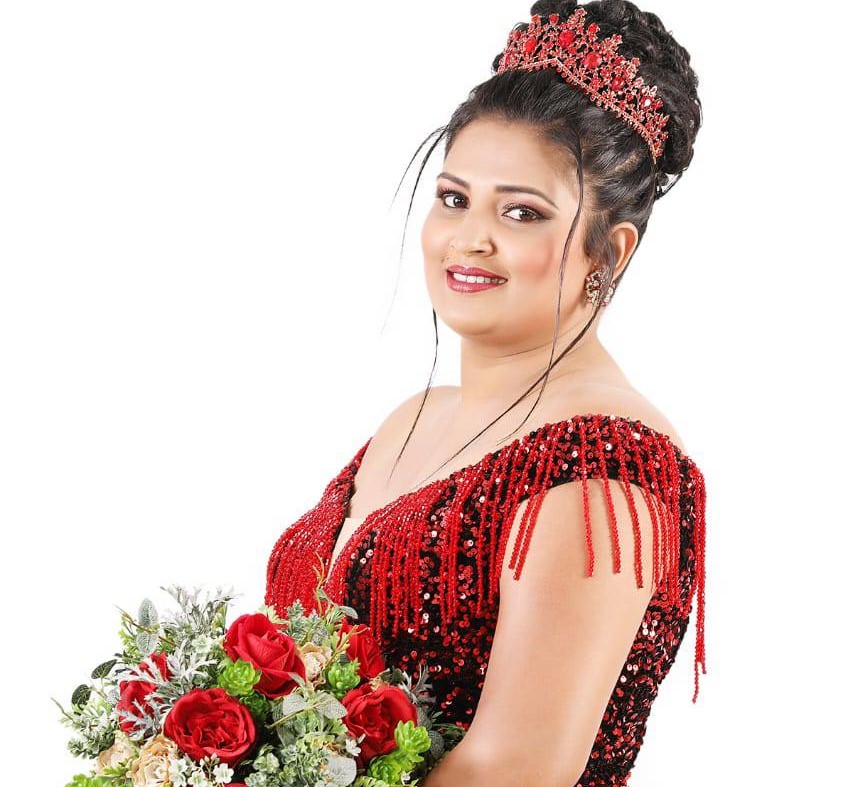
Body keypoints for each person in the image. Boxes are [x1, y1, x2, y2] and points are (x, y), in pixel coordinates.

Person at [265, 1, 706, 784]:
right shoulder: (413, 417)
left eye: (521, 212)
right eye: (453, 198)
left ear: (609, 252)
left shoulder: (599, 469)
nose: (470, 237)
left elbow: (512, 769)